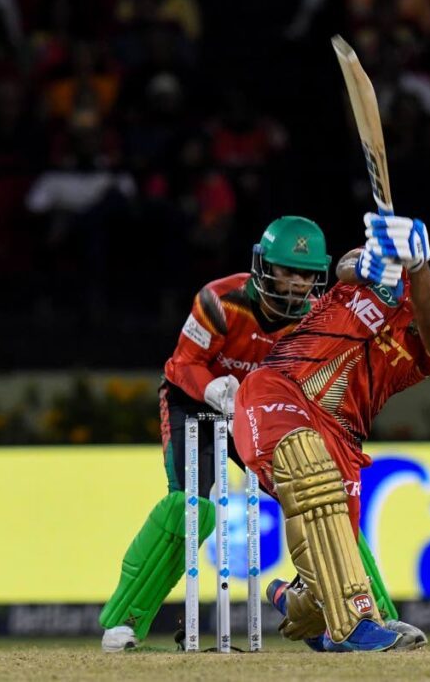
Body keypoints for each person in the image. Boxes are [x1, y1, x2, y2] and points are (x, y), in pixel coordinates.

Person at [231, 212, 430, 652]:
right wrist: (370, 264)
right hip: (279, 387)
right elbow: (345, 266)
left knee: (332, 565)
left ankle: (297, 605)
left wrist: (417, 268)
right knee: (309, 469)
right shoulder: (388, 270)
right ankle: (356, 627)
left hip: (342, 438)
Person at [99, 215, 330, 651]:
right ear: (264, 266)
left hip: (258, 408)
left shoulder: (317, 319)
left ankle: (363, 614)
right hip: (194, 397)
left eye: (307, 275)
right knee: (191, 506)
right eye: (288, 271)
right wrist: (211, 388)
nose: (298, 284)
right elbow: (182, 364)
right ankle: (125, 622)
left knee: (316, 493)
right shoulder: (220, 299)